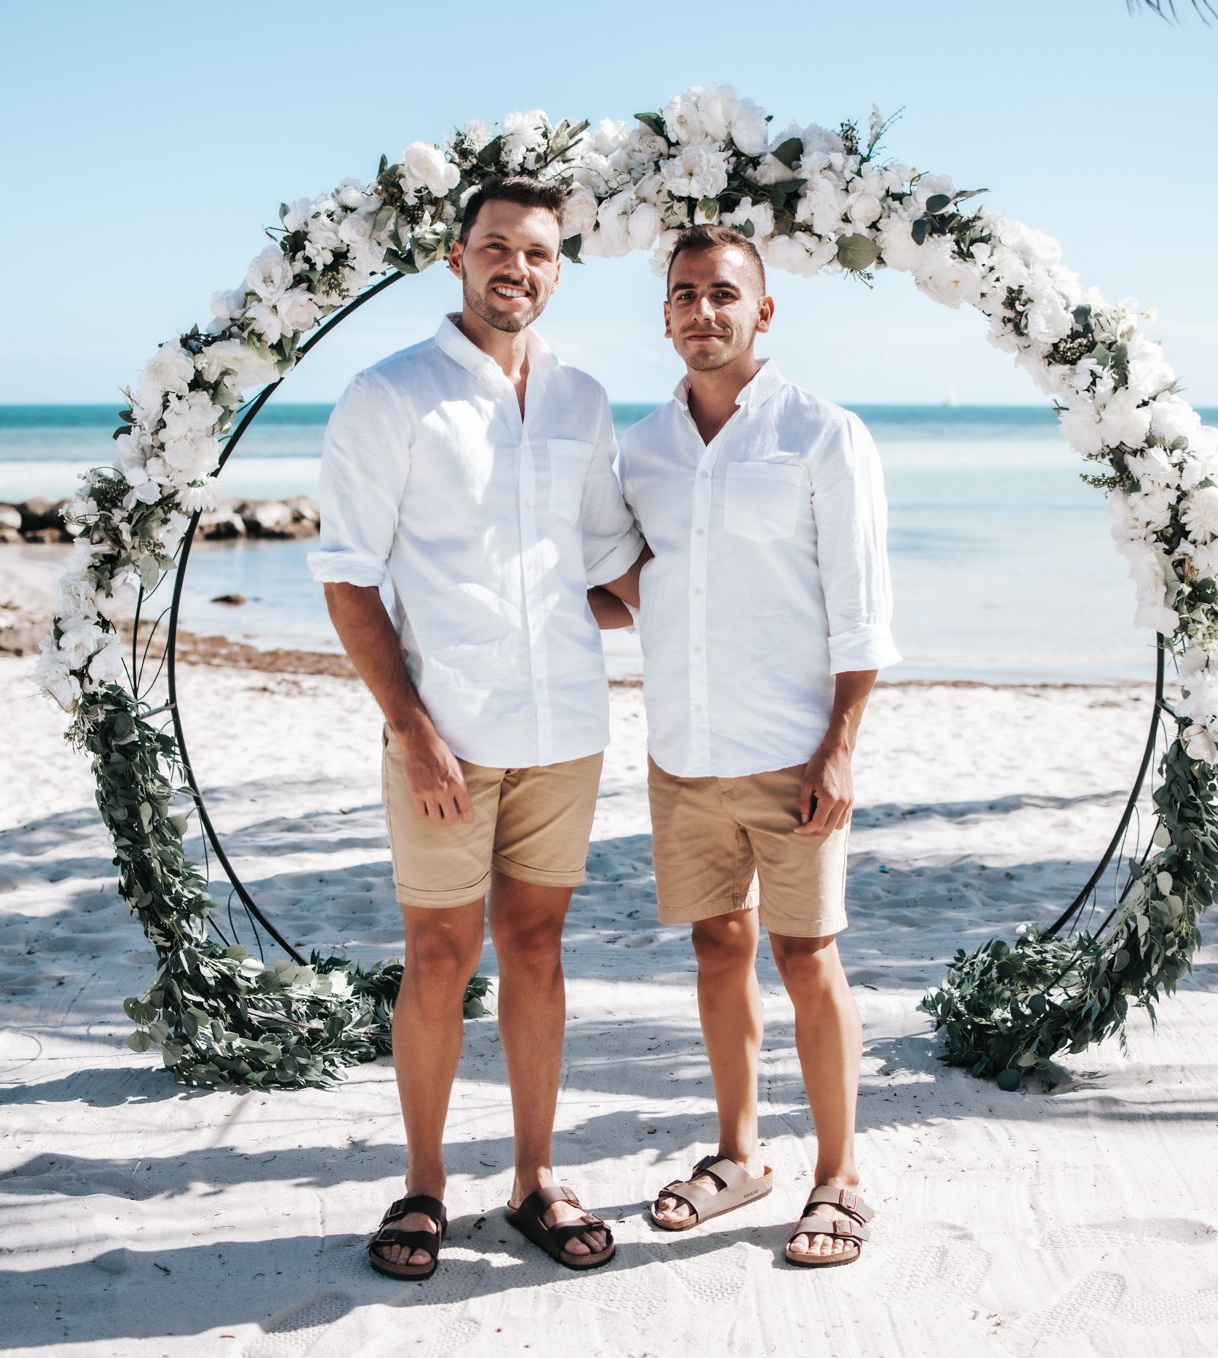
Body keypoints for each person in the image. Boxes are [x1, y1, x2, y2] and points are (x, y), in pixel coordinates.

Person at [309, 175, 646, 1280]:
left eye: (538, 253)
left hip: (566, 728)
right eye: (496, 246)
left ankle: (534, 1178)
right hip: (442, 734)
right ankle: (421, 1184)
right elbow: (349, 580)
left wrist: (742, 606)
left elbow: (605, 569)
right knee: (439, 956)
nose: (517, 267)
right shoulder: (387, 395)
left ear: (556, 271)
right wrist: (408, 729)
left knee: (538, 948)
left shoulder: (583, 400)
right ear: (456, 257)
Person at [607, 222, 897, 1267]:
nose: (702, 311)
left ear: (761, 310)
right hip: (680, 751)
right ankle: (738, 1154)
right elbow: (614, 577)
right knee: (716, 946)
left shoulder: (822, 435)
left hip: (791, 747)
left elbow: (861, 612)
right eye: (683, 294)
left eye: (722, 294)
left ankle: (839, 1173)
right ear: (666, 314)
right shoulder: (639, 446)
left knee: (806, 955)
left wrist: (838, 748)